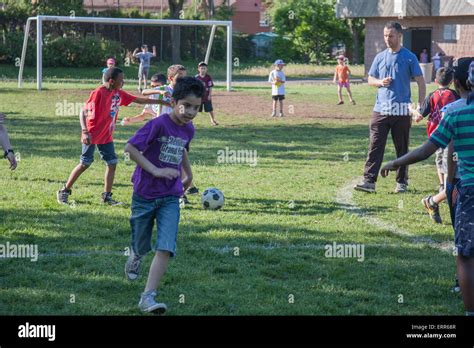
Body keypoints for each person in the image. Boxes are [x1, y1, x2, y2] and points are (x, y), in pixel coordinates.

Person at [380, 57, 474, 315]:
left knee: (466, 254)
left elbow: (426, 151)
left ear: (457, 82)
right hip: (462, 186)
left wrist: (395, 162)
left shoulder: (454, 113)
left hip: (469, 190)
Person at [123, 76, 205, 314]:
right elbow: (130, 149)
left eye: (196, 108)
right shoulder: (157, 124)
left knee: (166, 245)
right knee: (141, 242)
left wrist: (188, 174)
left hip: (171, 196)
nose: (190, 112)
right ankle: (136, 254)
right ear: (173, 101)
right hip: (145, 194)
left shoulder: (189, 129)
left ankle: (148, 297)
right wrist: (156, 170)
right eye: (186, 105)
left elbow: (180, 149)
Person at [56, 68, 170, 206]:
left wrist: (161, 102)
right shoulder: (99, 92)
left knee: (112, 163)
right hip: (92, 134)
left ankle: (107, 196)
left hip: (106, 136)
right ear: (111, 81)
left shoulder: (118, 93)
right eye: (121, 80)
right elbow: (83, 111)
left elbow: (139, 100)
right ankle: (64, 190)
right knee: (85, 163)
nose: (123, 82)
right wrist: (84, 131)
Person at [354, 21, 426, 194]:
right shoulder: (379, 57)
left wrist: (420, 105)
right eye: (385, 35)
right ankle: (369, 181)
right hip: (380, 110)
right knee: (375, 146)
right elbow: (370, 79)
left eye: (391, 35)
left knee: (402, 148)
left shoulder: (409, 57)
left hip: (402, 110)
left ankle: (401, 183)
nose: (387, 39)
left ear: (399, 36)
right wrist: (379, 82)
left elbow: (421, 82)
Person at [412, 67, 459, 223]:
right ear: (452, 82)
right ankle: (444, 190)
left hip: (436, 137)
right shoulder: (455, 95)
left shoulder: (432, 96)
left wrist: (412, 111)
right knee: (450, 164)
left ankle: (442, 186)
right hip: (451, 136)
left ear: (436, 81)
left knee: (440, 161)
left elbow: (418, 117)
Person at [196, 61, 218, 126]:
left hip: (206, 96)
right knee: (195, 109)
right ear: (198, 69)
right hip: (199, 97)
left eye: (204, 68)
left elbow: (210, 86)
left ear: (206, 69)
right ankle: (189, 121)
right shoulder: (196, 77)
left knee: (210, 109)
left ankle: (213, 120)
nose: (203, 70)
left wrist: (209, 95)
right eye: (201, 68)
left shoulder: (208, 77)